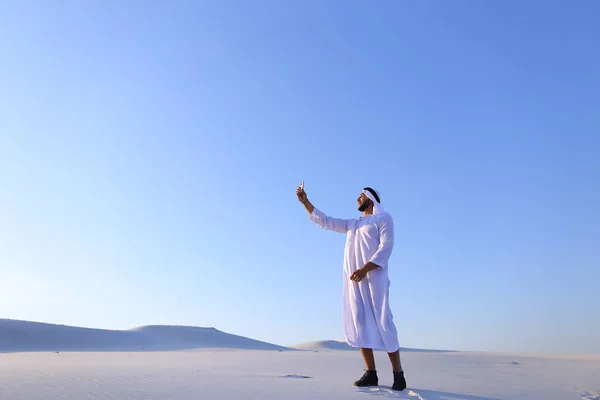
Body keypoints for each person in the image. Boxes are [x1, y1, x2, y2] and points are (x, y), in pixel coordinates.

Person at [296, 184, 406, 391]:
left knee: (384, 322)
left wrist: (365, 268)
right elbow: (326, 221)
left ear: (370, 199)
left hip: (374, 280)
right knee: (359, 322)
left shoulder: (384, 219)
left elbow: (386, 247)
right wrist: (305, 203)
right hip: (354, 281)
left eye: (361, 196)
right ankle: (370, 373)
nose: (357, 199)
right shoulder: (354, 224)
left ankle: (398, 374)